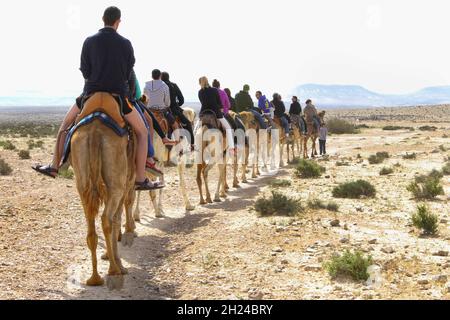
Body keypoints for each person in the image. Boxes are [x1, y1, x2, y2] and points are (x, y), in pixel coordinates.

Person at [32, 6, 162, 190]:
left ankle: (54, 166)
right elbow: (128, 73)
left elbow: (85, 71)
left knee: (65, 126)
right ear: (118, 21)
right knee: (142, 133)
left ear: (103, 19)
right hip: (118, 98)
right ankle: (140, 178)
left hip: (90, 95)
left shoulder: (89, 41)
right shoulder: (126, 43)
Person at [198, 76, 235, 152]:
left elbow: (202, 102)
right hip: (215, 113)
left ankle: (194, 146)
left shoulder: (200, 92)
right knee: (228, 128)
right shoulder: (214, 90)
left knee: (196, 130)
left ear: (200, 83)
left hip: (203, 114)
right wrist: (220, 107)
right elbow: (219, 103)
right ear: (207, 81)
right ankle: (231, 148)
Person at [161, 72, 195, 149]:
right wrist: (176, 105)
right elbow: (182, 100)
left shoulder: (159, 87)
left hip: (161, 110)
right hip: (174, 110)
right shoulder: (174, 85)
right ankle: (192, 145)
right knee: (188, 124)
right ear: (168, 77)